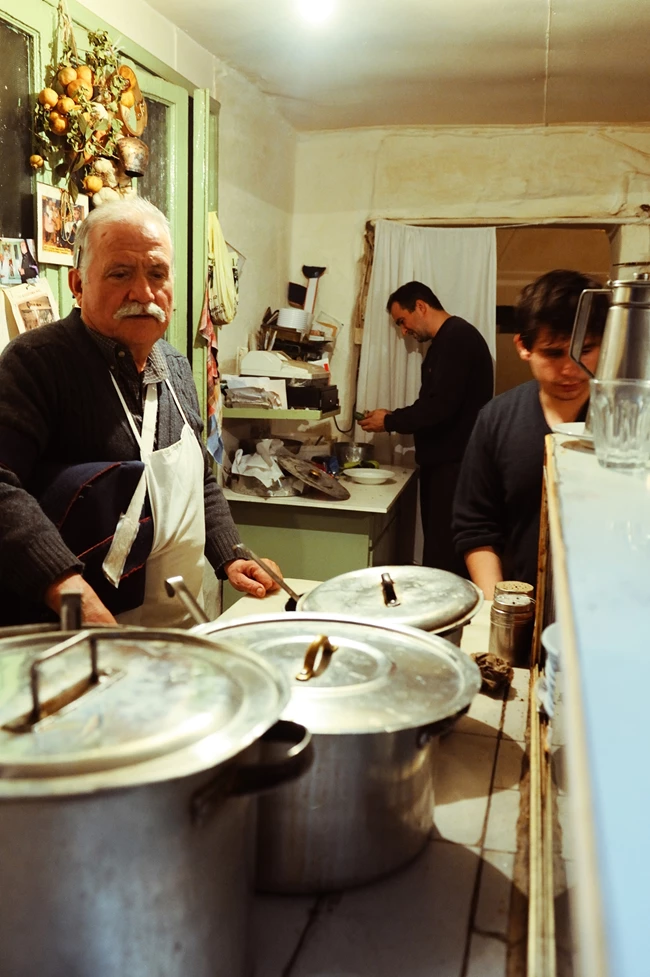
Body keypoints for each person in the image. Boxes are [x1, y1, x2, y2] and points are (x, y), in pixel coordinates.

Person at [0, 198, 281, 627]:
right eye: (120, 274)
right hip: (68, 622)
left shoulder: (176, 367)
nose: (144, 293)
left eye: (157, 273)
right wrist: (71, 594)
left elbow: (197, 480)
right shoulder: (36, 362)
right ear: (77, 284)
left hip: (170, 621)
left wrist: (231, 554)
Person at [452, 269, 606, 598]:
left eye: (586, 349)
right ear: (523, 346)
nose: (571, 369)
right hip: (525, 604)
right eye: (553, 353)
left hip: (614, 606)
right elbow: (475, 526)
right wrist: (501, 607)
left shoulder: (628, 418)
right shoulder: (497, 419)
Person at [360, 281, 494, 575]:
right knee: (441, 548)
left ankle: (448, 617)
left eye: (402, 321)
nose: (403, 331)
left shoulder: (456, 340)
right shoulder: (450, 340)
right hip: (449, 465)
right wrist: (392, 416)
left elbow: (439, 407)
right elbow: (440, 403)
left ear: (420, 306)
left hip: (455, 467)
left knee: (444, 554)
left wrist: (390, 421)